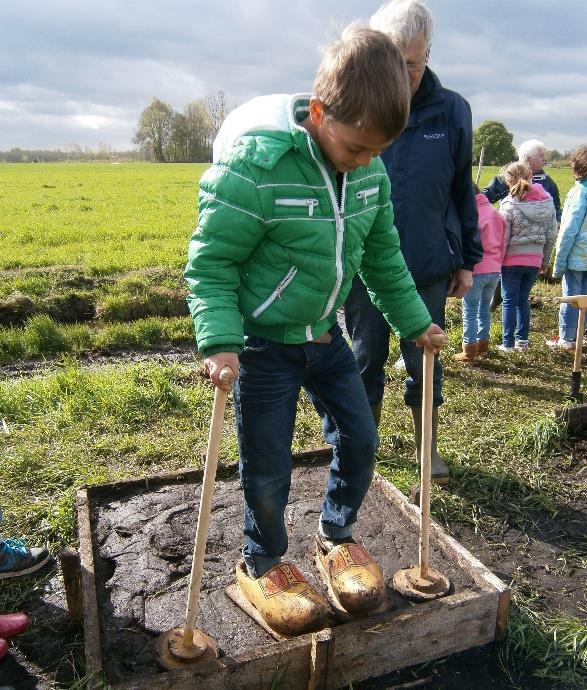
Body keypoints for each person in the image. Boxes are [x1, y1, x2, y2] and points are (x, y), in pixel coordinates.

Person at [184, 26, 445, 637]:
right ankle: (264, 561)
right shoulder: (256, 170)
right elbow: (211, 263)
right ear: (321, 112)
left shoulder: (372, 177)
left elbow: (383, 259)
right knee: (268, 468)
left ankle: (336, 537)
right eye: (356, 147)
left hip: (326, 338)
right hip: (262, 346)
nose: (365, 160)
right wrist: (219, 343)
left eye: (378, 151)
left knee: (360, 439)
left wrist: (416, 322)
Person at [343, 0, 482, 484]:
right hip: (362, 262)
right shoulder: (357, 102)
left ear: (428, 54)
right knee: (363, 358)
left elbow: (462, 190)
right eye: (391, 62)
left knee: (425, 359)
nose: (401, 76)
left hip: (425, 261)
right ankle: (360, 445)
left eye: (412, 64)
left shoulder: (452, 111)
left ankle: (428, 449)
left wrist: (467, 259)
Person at [497, 162, 557, 352]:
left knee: (509, 301)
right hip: (534, 258)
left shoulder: (508, 203)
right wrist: (545, 261)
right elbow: (551, 234)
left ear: (508, 181)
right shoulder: (547, 200)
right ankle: (522, 341)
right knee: (523, 300)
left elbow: (503, 237)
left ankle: (508, 343)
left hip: (511, 260)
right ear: (531, 175)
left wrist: (498, 260)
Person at [454, 184, 508, 363]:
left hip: (476, 269)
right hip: (494, 270)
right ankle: (483, 344)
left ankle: (469, 350)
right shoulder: (496, 214)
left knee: (469, 310)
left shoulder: (472, 216)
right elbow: (503, 243)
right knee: (484, 308)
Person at [547, 145, 587, 349]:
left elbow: (569, 229)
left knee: (571, 298)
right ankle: (581, 334)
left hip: (577, 255)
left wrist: (559, 261)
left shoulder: (580, 192)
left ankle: (567, 339)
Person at [483, 139, 562, 222]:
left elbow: (556, 209)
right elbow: (482, 199)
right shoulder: (507, 178)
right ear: (528, 159)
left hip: (540, 233)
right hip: (513, 232)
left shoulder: (548, 182)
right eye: (541, 155)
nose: (544, 159)